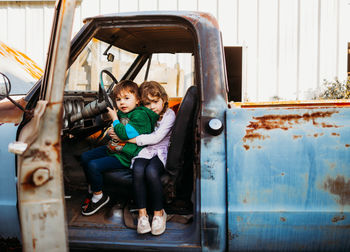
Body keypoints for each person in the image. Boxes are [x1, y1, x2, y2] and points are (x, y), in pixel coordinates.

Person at [80, 80, 159, 216]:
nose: (122, 102)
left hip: (126, 155)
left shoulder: (140, 116)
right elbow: (118, 130)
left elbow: (124, 133)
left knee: (93, 165)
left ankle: (99, 197)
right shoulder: (125, 112)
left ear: (138, 100)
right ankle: (94, 187)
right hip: (115, 149)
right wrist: (112, 129)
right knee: (85, 156)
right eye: (118, 99)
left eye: (127, 98)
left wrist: (114, 119)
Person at [128, 81, 175, 235]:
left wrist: (132, 140)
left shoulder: (169, 115)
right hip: (146, 150)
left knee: (151, 172)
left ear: (163, 99)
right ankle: (142, 215)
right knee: (138, 169)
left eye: (155, 102)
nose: (152, 107)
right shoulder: (143, 114)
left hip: (161, 150)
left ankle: (158, 213)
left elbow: (157, 137)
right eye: (147, 103)